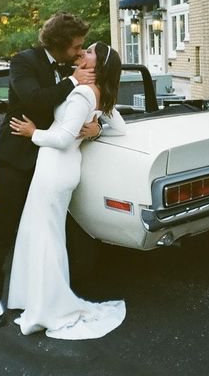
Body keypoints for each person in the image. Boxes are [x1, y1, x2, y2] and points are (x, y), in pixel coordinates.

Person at [0, 12, 100, 326]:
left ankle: (45, 295)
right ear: (59, 45)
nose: (80, 51)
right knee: (4, 228)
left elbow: (86, 107)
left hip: (50, 160)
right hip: (15, 157)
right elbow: (33, 99)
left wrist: (95, 127)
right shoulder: (23, 61)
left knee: (50, 229)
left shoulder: (73, 67)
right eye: (76, 46)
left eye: (82, 46)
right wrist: (74, 80)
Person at [7, 42, 126, 340]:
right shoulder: (97, 93)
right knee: (45, 234)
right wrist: (98, 128)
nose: (81, 54)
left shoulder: (84, 93)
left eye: (88, 53)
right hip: (61, 167)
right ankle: (36, 299)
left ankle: (49, 308)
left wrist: (32, 133)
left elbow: (61, 138)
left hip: (56, 167)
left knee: (46, 237)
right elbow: (120, 126)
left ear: (96, 66)